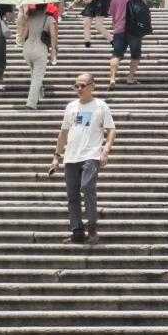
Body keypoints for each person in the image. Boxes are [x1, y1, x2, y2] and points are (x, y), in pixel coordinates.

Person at [48, 72, 115, 245]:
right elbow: (63, 133)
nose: (79, 89)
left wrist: (106, 150)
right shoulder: (71, 107)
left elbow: (111, 130)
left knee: (87, 187)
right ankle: (77, 231)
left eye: (82, 85)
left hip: (91, 155)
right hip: (71, 157)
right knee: (72, 196)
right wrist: (56, 157)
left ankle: (92, 225)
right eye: (76, 85)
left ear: (92, 86)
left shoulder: (101, 106)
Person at [108, 0, 146, 87]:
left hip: (119, 30)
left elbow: (113, 15)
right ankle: (130, 78)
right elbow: (144, 7)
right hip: (134, 30)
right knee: (135, 55)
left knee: (116, 55)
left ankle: (112, 79)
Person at [17, 2, 48, 107]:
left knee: (34, 73)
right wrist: (54, 50)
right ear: (45, 7)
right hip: (40, 48)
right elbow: (53, 36)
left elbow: (24, 34)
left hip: (28, 49)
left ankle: (39, 95)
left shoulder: (30, 17)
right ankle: (31, 103)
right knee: (37, 76)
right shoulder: (48, 18)